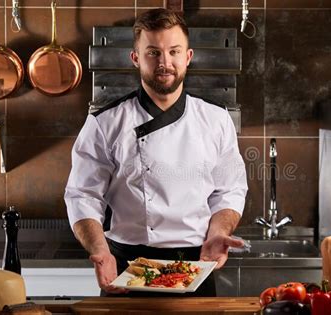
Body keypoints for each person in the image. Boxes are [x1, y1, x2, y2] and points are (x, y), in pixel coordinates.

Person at [64, 8, 248, 297]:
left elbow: (230, 190)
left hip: (197, 266)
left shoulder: (216, 119)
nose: (165, 62)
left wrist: (217, 232)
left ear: (188, 56)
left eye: (174, 51)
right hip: (127, 269)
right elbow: (82, 195)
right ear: (136, 58)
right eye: (153, 53)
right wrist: (100, 250)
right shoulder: (104, 123)